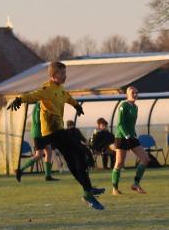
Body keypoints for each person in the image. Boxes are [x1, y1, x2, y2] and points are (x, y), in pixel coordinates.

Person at [6, 61, 106, 210]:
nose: (65, 76)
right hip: (52, 131)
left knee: (73, 159)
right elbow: (33, 95)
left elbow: (66, 97)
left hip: (58, 130)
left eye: (65, 73)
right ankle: (87, 190)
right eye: (62, 74)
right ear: (53, 75)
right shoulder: (47, 89)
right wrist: (19, 99)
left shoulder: (60, 88)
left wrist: (76, 105)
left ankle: (88, 191)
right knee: (79, 153)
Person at [109, 86, 151, 195]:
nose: (136, 95)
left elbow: (131, 124)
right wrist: (126, 135)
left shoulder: (135, 107)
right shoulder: (123, 106)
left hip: (132, 137)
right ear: (127, 94)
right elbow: (120, 124)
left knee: (145, 159)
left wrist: (133, 134)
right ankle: (115, 189)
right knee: (119, 163)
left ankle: (135, 184)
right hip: (122, 137)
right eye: (133, 93)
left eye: (137, 93)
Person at [25, 102, 56, 181]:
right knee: (39, 155)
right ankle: (20, 170)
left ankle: (48, 176)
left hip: (43, 133)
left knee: (49, 151)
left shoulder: (45, 104)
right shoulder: (39, 105)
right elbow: (38, 120)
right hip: (38, 133)